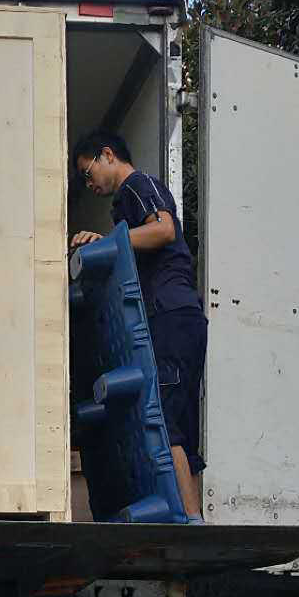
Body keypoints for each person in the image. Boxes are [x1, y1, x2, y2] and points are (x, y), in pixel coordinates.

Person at [70, 130, 207, 525]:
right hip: (181, 317)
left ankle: (189, 521)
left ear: (108, 155)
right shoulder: (125, 204)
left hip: (169, 313)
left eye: (88, 172)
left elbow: (164, 229)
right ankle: (192, 517)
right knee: (176, 418)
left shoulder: (138, 185)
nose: (89, 184)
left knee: (163, 416)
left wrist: (110, 242)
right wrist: (109, 240)